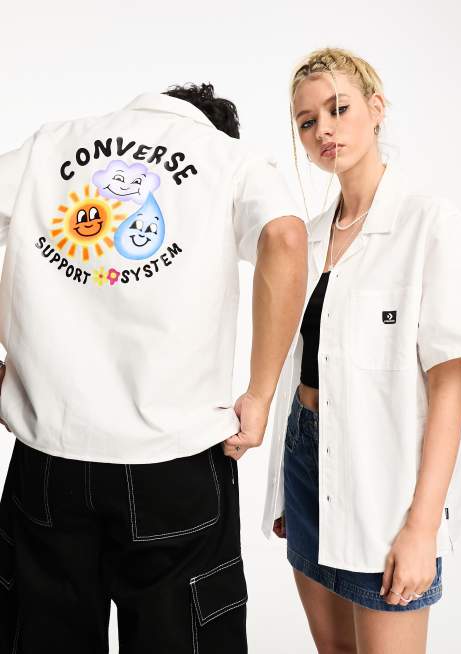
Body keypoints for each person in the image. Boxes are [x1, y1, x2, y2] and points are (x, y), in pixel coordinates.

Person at [0, 83, 307, 653]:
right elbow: (286, 236)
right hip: (176, 462)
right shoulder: (228, 158)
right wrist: (260, 395)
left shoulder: (51, 145)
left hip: (50, 462)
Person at [253, 48, 461, 653]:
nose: (324, 130)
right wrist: (286, 485)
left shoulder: (427, 223)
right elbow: (297, 366)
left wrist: (422, 528)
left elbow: (449, 389)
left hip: (386, 487)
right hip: (305, 461)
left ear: (377, 108)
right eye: (307, 122)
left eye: (338, 109)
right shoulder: (308, 236)